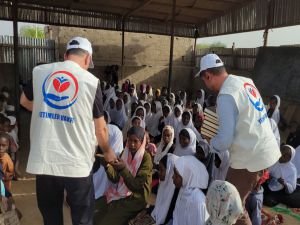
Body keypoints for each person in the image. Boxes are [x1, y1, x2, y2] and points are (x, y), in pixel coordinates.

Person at [20, 37, 116, 225]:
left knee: (51, 217)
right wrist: (108, 152)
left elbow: (24, 101)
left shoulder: (41, 72)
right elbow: (100, 128)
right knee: (82, 219)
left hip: (45, 162)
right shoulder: (91, 82)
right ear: (87, 58)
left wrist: (48, 110)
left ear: (65, 55)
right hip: (77, 165)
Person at [196, 53, 280, 225]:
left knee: (229, 207)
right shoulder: (244, 80)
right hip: (264, 150)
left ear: (208, 75)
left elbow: (225, 140)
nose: (205, 84)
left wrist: (211, 142)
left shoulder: (226, 95)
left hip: (250, 157)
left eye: (204, 80)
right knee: (234, 205)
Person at [94, 127, 152, 225]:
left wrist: (122, 169)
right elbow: (116, 178)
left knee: (105, 222)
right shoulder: (125, 153)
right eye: (129, 140)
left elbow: (136, 186)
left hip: (136, 199)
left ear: (142, 142)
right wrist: (107, 165)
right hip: (120, 192)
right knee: (93, 209)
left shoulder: (146, 158)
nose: (132, 144)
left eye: (135, 141)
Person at [172, 155, 209, 225]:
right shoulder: (183, 190)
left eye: (176, 175)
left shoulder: (198, 202)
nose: (172, 177)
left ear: (187, 176)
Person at [151, 153, 179, 225]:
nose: (159, 173)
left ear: (170, 171)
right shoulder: (163, 183)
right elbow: (158, 207)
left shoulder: (177, 193)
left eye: (161, 170)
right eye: (158, 169)